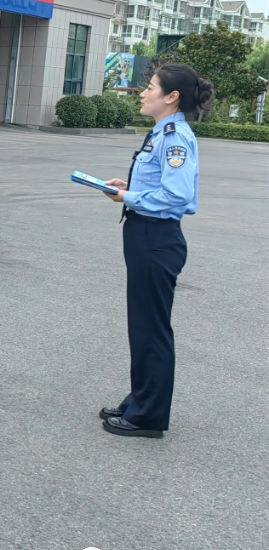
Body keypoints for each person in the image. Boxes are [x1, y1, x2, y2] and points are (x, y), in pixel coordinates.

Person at [100, 63, 213, 438]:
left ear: (172, 97)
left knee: (152, 328)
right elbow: (159, 184)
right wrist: (128, 184)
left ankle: (147, 417)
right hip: (145, 234)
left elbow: (177, 196)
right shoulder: (162, 132)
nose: (143, 93)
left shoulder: (176, 137)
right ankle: (140, 400)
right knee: (143, 325)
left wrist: (127, 195)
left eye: (150, 87)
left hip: (156, 237)